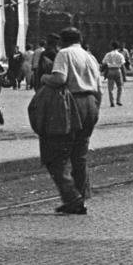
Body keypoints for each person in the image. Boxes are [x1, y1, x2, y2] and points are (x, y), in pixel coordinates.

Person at [37, 27, 102, 215]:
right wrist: (95, 107)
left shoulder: (64, 54)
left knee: (55, 156)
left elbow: (59, 78)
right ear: (80, 39)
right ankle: (81, 196)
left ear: (62, 42)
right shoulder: (90, 57)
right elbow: (99, 88)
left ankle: (72, 197)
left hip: (71, 104)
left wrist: (44, 77)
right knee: (79, 156)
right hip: (91, 103)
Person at [101, 42, 127, 107]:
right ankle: (118, 100)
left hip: (110, 70)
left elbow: (104, 63)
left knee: (110, 87)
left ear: (112, 47)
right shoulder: (120, 55)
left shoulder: (108, 54)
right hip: (118, 70)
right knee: (120, 86)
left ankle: (112, 102)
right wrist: (124, 76)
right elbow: (123, 66)